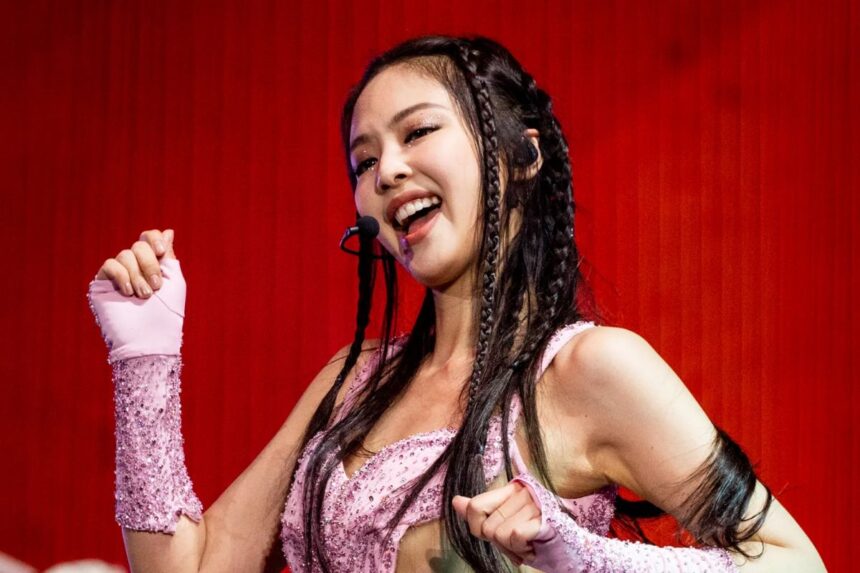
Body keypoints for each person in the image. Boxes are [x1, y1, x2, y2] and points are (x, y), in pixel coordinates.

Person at [87, 36, 825, 572]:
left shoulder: (588, 369)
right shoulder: (354, 381)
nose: (387, 171)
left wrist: (583, 560)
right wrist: (144, 357)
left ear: (519, 156)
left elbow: (794, 561)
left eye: (417, 132)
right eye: (364, 161)